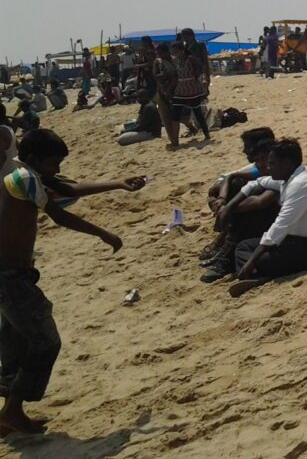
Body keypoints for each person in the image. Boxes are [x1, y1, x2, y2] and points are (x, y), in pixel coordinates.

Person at [0, 129, 143, 435]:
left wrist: (117, 183)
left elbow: (71, 189)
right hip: (10, 278)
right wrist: (102, 233)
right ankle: (12, 411)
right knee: (44, 341)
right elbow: (59, 214)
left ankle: (8, 416)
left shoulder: (23, 172)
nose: (58, 168)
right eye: (55, 162)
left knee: (17, 342)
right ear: (37, 159)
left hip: (13, 276)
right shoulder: (23, 179)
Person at [229, 139, 307, 297]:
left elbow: (280, 225)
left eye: (272, 164)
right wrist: (228, 207)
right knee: (243, 247)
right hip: (298, 239)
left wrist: (252, 261)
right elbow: (257, 182)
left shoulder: (301, 184)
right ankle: (257, 274)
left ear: (287, 164)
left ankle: (258, 274)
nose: (268, 168)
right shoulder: (288, 178)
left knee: (258, 259)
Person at [201, 138, 281, 282]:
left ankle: (229, 252)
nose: (261, 164)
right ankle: (227, 246)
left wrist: (228, 210)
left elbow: (261, 201)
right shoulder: (262, 173)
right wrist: (221, 200)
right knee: (238, 186)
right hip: (271, 223)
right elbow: (230, 178)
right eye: (258, 160)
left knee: (249, 205)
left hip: (282, 228)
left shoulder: (281, 176)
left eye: (265, 159)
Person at [170, 41, 211, 143]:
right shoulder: (175, 61)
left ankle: (207, 134)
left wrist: (204, 80)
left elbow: (201, 69)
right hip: (180, 89)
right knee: (175, 113)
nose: (174, 53)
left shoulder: (191, 59)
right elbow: (175, 75)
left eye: (176, 51)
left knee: (198, 114)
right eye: (173, 51)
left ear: (182, 51)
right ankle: (175, 141)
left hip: (192, 88)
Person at [153, 43, 178, 147]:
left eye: (160, 53)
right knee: (166, 117)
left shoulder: (175, 60)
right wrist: (167, 75)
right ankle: (173, 141)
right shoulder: (158, 62)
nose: (159, 55)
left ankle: (176, 138)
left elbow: (177, 76)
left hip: (176, 92)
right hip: (162, 91)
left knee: (176, 117)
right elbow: (156, 76)